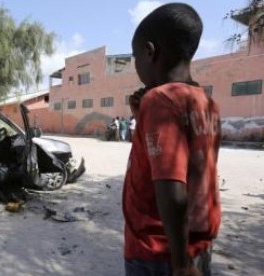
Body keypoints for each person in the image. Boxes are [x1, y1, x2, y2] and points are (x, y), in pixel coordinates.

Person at [124, 3, 221, 276]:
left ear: (149, 51)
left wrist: (180, 264)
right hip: (198, 244)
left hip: (159, 252)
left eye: (135, 57)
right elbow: (195, 171)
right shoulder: (207, 103)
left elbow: (171, 187)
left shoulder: (160, 101)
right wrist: (140, 116)